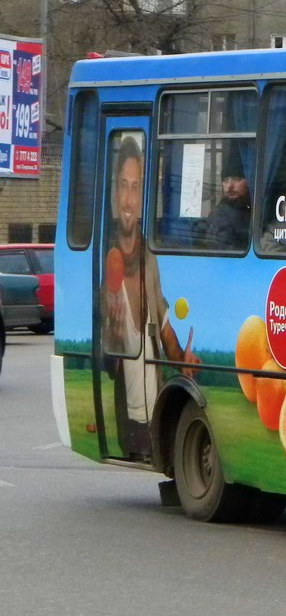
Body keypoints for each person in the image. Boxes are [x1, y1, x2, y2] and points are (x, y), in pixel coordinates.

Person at [103, 136, 198, 456]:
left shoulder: (150, 258)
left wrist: (181, 358)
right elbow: (105, 358)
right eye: (123, 185)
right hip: (128, 415)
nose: (128, 200)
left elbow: (164, 324)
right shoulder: (103, 259)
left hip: (154, 410)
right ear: (114, 193)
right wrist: (112, 331)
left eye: (136, 188)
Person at [206, 146, 251, 250]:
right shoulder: (220, 214)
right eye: (226, 180)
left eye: (236, 179)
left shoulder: (252, 210)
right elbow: (222, 249)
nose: (230, 186)